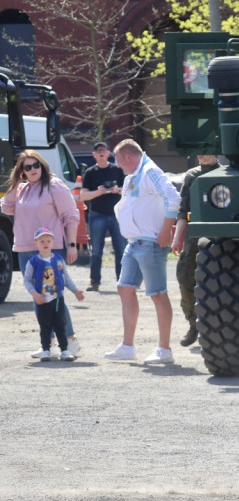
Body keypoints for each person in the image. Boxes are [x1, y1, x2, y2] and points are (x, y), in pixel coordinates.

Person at [104, 139, 180, 364]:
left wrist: (166, 231)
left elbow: (173, 197)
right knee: (124, 288)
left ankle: (164, 349)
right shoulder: (133, 175)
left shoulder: (150, 171)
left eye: (118, 161)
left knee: (157, 293)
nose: (118, 166)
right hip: (134, 242)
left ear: (128, 157)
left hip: (150, 243)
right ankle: (128, 346)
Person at [1, 150, 83, 358]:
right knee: (38, 297)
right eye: (26, 167)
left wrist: (72, 244)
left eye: (35, 165)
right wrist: (16, 184)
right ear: (22, 171)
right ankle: (48, 343)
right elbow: (6, 207)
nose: (32, 170)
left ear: (42, 166)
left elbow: (71, 215)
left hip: (50, 249)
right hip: (25, 248)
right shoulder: (22, 189)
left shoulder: (53, 186)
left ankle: (70, 340)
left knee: (54, 296)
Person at [171, 154, 222, 346]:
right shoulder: (192, 175)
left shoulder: (223, 172)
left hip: (220, 232)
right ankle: (194, 325)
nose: (200, 153)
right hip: (195, 233)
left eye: (205, 149)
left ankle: (216, 327)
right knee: (185, 276)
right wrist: (177, 239)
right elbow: (183, 209)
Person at [23, 227, 85, 361]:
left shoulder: (58, 260)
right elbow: (27, 280)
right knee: (45, 326)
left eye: (48, 240)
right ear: (36, 244)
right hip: (42, 300)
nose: (45, 243)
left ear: (53, 243)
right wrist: (35, 294)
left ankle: (65, 350)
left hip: (57, 299)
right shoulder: (33, 262)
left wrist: (75, 291)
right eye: (41, 241)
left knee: (60, 325)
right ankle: (46, 349)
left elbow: (66, 278)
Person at [80, 141, 126, 291]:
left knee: (121, 249)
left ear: (108, 153)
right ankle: (95, 282)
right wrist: (98, 192)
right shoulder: (90, 173)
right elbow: (84, 196)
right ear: (94, 155)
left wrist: (117, 190)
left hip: (117, 215)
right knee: (96, 251)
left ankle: (122, 281)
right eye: (98, 151)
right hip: (97, 214)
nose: (101, 153)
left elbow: (127, 190)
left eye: (103, 150)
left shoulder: (117, 170)